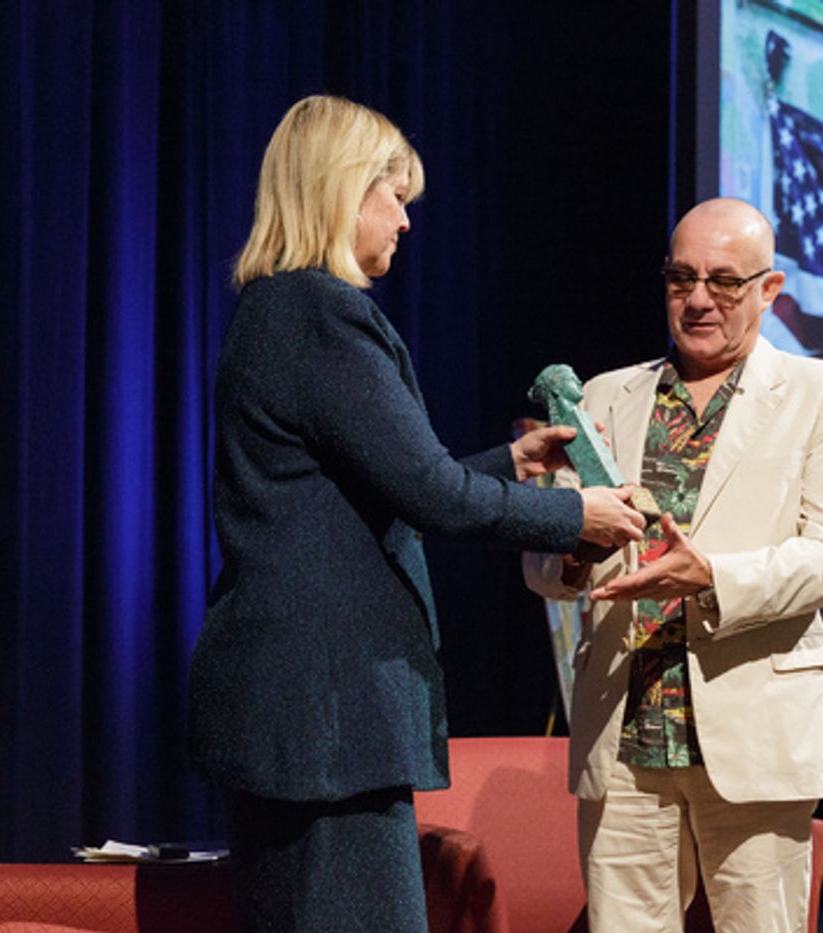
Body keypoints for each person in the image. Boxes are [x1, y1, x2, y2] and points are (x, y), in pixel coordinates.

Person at [187, 95, 644, 932]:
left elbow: (370, 493)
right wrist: (574, 516)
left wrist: (507, 463)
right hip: (327, 716)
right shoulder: (320, 311)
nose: (404, 220)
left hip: (302, 711)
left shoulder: (275, 310)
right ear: (343, 189)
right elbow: (429, 494)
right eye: (393, 195)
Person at [525, 197, 823, 931]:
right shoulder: (603, 394)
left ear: (769, 290)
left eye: (724, 281)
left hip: (755, 725)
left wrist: (710, 576)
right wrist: (573, 545)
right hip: (625, 729)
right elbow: (543, 564)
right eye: (681, 278)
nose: (698, 299)